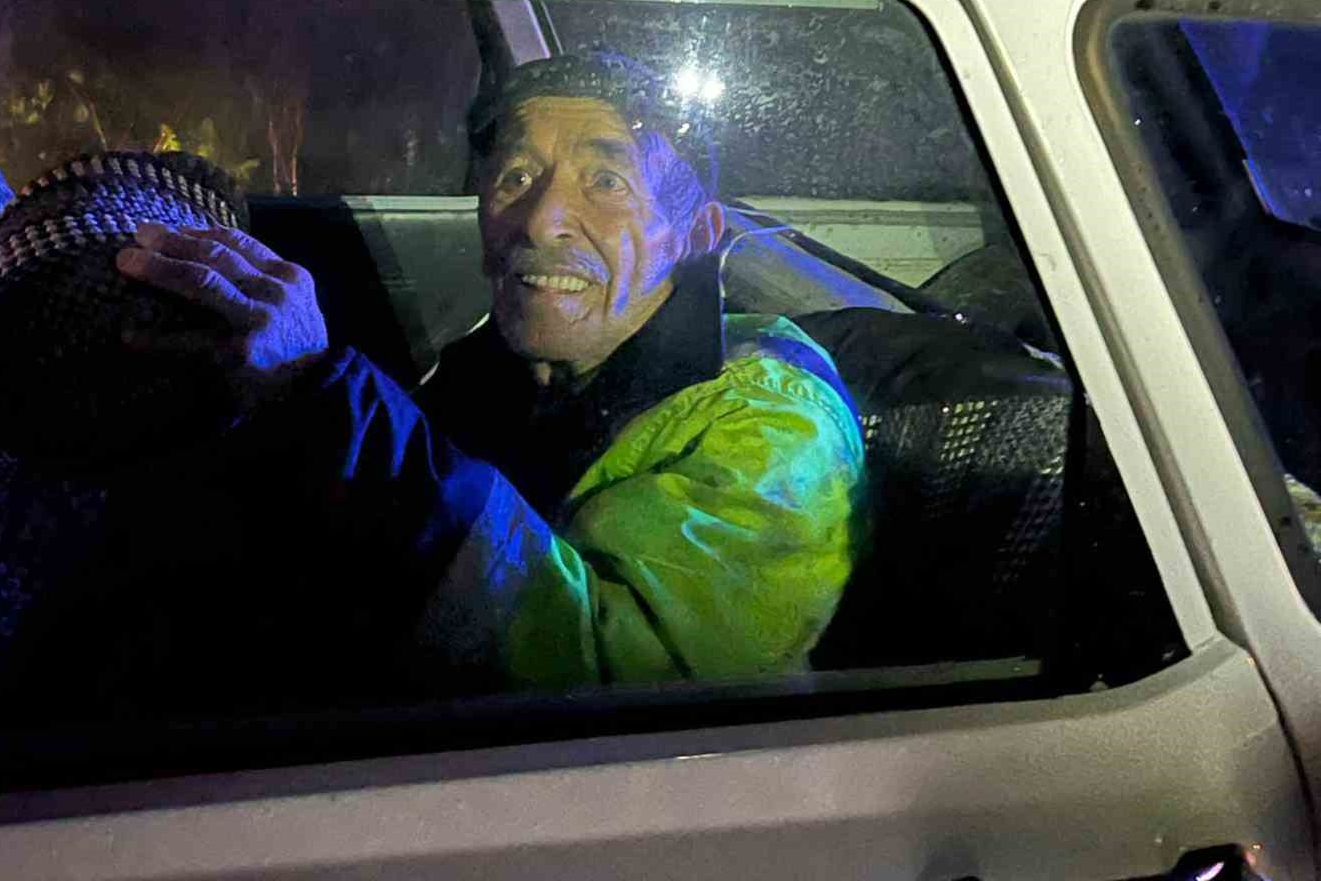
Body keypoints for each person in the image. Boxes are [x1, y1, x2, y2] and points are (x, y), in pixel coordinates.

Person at [115, 54, 866, 691]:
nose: (539, 220)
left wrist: (322, 393)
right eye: (515, 177)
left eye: (606, 183)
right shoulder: (513, 365)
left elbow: (617, 678)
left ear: (696, 238)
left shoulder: (774, 427)